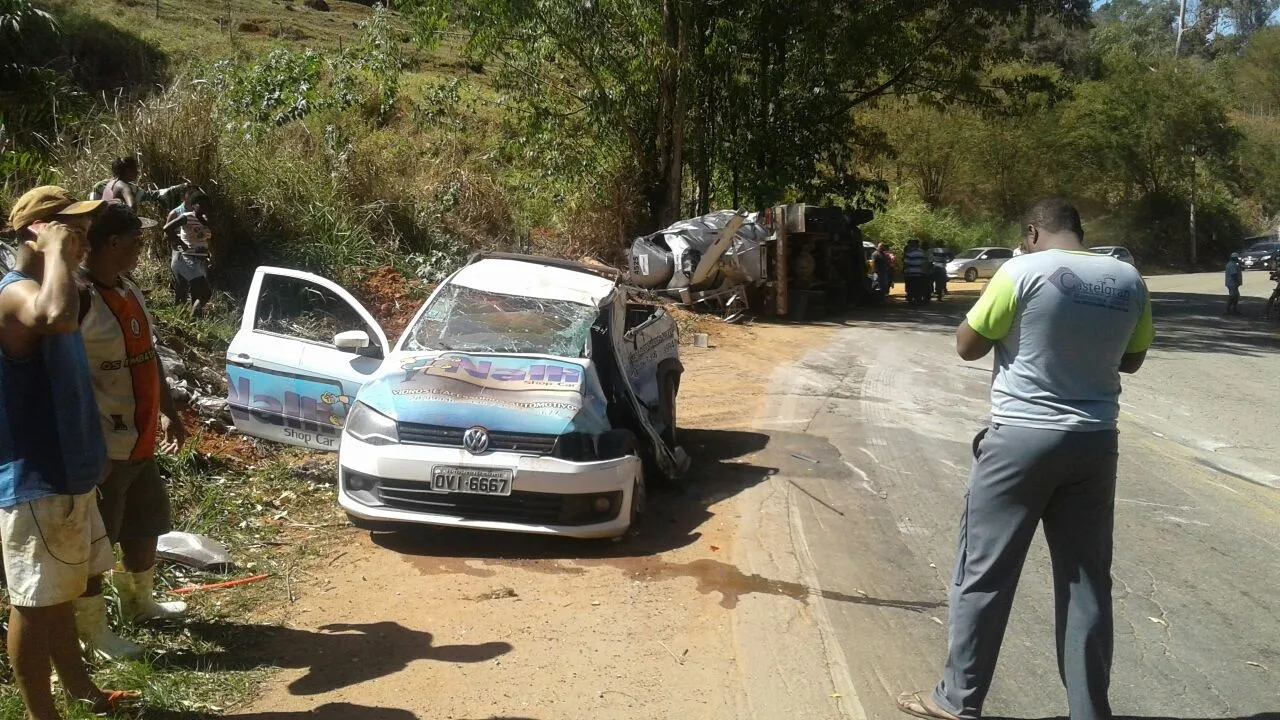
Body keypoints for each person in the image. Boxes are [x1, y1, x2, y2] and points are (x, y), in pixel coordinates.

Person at [896, 198, 1154, 720]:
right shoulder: (1129, 279)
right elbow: (1132, 359)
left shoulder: (1022, 270)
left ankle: (957, 701)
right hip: (1095, 443)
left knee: (984, 574)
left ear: (1032, 232)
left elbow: (967, 345)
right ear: (1079, 231)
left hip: (1021, 440)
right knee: (1086, 581)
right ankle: (1089, 711)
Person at [1, 186, 140, 719]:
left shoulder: (53, 287)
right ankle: (43, 715)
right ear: (40, 230)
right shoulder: (16, 294)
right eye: (72, 229)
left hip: (69, 472)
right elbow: (56, 316)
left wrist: (92, 450)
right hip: (38, 480)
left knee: (60, 594)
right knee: (35, 603)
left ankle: (82, 691)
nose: (83, 241)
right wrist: (56, 253)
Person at [74, 203, 189, 661]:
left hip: (141, 439)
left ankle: (140, 604)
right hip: (104, 447)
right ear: (113, 243)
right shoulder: (76, 298)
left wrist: (169, 411)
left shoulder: (126, 286)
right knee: (96, 543)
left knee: (147, 521)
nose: (143, 247)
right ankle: (95, 636)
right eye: (137, 240)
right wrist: (85, 446)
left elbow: (149, 355)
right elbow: (65, 382)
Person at [163, 191, 213, 316]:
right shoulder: (187, 216)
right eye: (202, 205)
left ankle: (192, 322)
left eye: (207, 205)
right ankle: (190, 319)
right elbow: (167, 229)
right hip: (188, 259)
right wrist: (180, 242)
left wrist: (208, 253)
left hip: (200, 261)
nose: (205, 208)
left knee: (196, 294)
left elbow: (206, 239)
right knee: (205, 293)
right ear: (194, 205)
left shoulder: (206, 221)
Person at [92, 156, 187, 212]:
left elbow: (151, 195)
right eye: (135, 169)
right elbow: (132, 206)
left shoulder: (109, 184)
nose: (137, 172)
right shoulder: (124, 186)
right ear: (128, 171)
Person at [902, 238, 929, 305]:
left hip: (910, 273)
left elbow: (906, 263)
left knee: (910, 287)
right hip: (919, 273)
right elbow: (925, 263)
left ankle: (911, 300)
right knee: (918, 287)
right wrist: (924, 272)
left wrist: (904, 271)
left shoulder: (909, 253)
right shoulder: (922, 253)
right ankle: (918, 300)